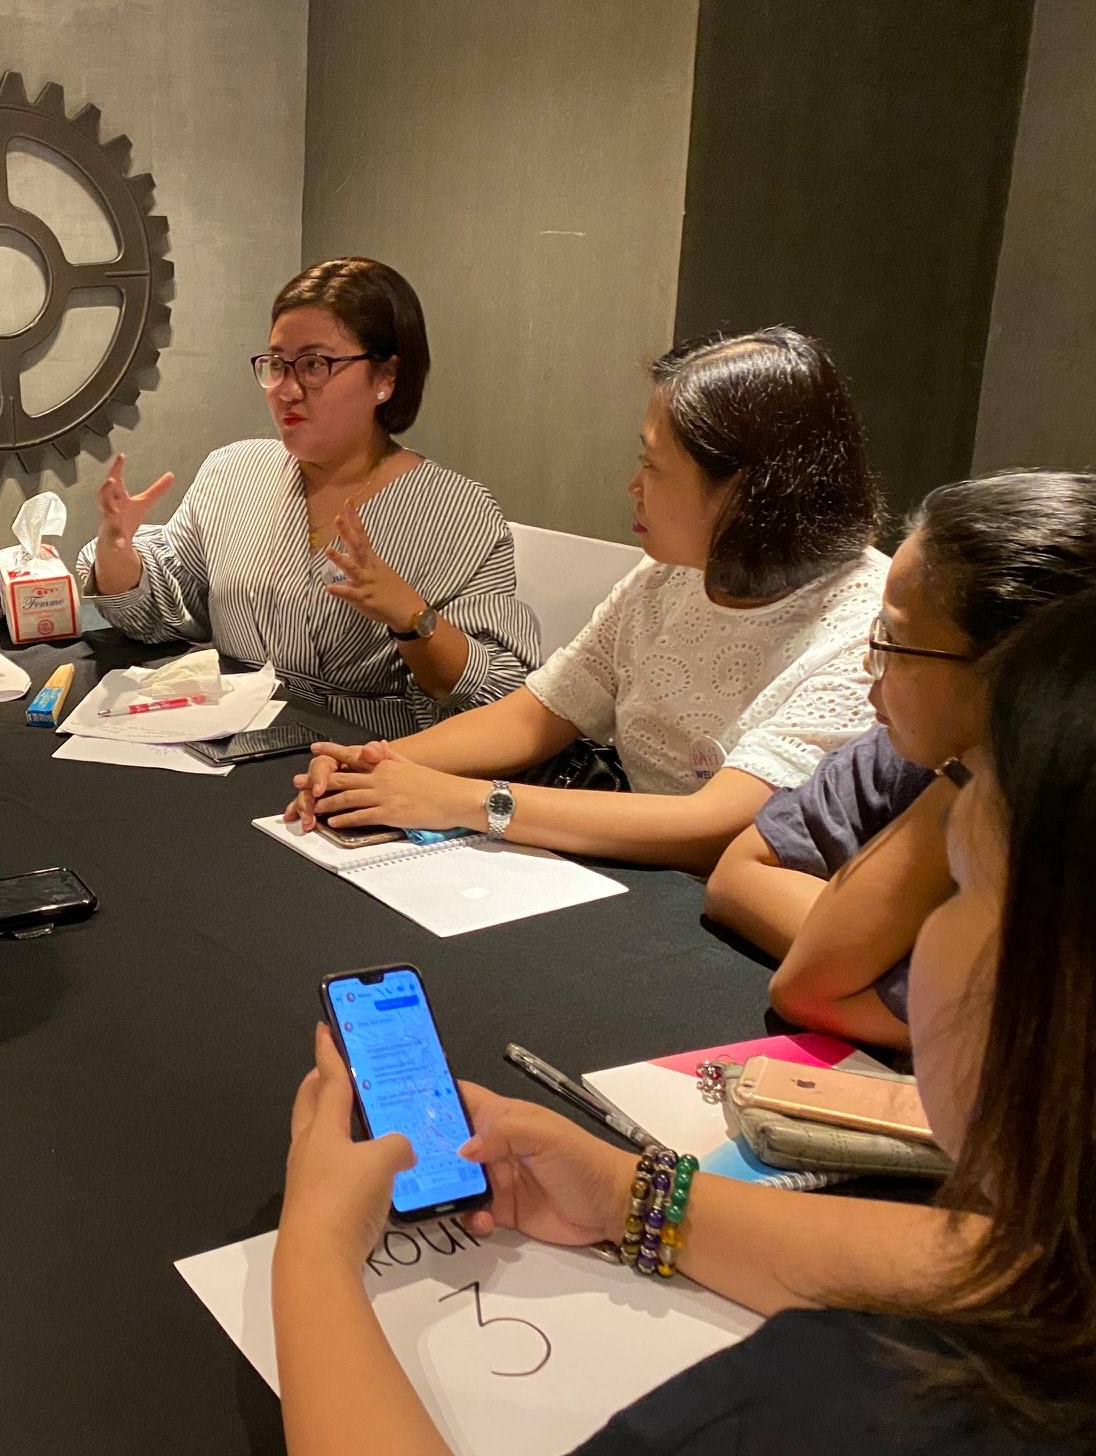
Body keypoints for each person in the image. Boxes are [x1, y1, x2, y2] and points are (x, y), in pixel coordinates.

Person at [272, 585, 1096, 1453]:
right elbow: (1003, 1268)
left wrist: (316, 1254)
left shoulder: (856, 1404)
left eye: (957, 881)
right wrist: (639, 1199)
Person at [290, 328, 886, 874]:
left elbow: (723, 821)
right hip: (644, 874)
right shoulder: (668, 576)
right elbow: (539, 713)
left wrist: (471, 801)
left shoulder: (864, 625)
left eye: (651, 465)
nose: (632, 486)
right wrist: (377, 762)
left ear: (745, 490)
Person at [704, 471, 1096, 1046]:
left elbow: (811, 986)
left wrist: (968, 780)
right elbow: (741, 873)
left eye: (894, 639)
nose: (870, 664)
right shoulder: (910, 750)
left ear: (1017, 678)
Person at [76, 257, 539, 736]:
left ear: (386, 377)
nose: (287, 390)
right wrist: (117, 552)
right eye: (277, 364)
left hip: (361, 767)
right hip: (220, 741)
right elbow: (167, 607)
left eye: (315, 365)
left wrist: (410, 617)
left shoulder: (459, 514)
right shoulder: (235, 471)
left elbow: (499, 700)